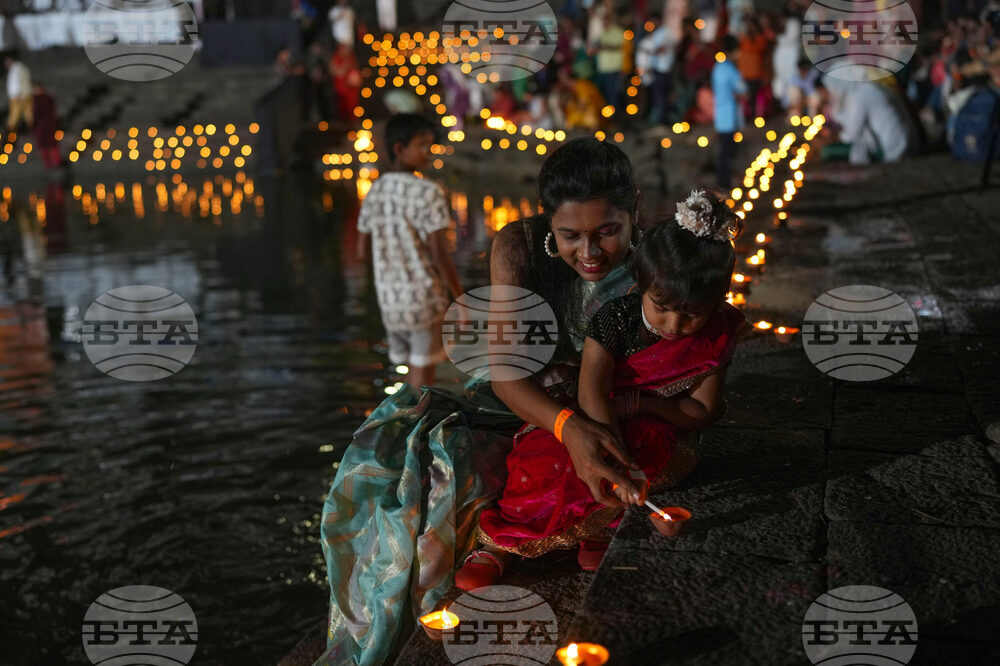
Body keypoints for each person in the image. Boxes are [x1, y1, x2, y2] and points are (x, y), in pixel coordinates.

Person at [317, 138, 649, 665]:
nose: (589, 253)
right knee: (415, 463)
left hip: (620, 402)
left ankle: (570, 527)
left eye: (607, 231)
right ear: (547, 221)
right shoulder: (518, 247)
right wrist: (569, 428)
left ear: (635, 208)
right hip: (525, 402)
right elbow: (509, 376)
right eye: (570, 236)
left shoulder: (656, 259)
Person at [469, 190, 748, 580]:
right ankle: (503, 541)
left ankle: (599, 529)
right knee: (542, 459)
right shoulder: (615, 318)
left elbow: (701, 411)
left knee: (645, 446)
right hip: (594, 414)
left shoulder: (717, 331)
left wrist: (638, 405)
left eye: (692, 315)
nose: (674, 326)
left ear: (716, 303)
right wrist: (610, 452)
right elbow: (592, 394)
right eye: (662, 308)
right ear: (641, 284)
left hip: (658, 425)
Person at [355, 113, 462, 389]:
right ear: (399, 149)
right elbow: (440, 255)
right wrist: (460, 300)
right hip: (423, 297)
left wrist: (391, 266)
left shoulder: (375, 190)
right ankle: (416, 417)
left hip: (390, 301)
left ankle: (405, 414)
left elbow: (362, 250)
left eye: (430, 144)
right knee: (423, 379)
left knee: (408, 373)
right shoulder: (429, 191)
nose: (429, 151)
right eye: (422, 145)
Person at [712, 35, 747, 188]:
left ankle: (723, 180)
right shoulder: (730, 70)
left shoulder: (717, 68)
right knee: (728, 152)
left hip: (720, 115)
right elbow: (743, 91)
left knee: (724, 151)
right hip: (730, 115)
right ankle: (725, 182)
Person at [30, 82, 60, 170]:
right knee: (44, 147)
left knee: (51, 146)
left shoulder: (46, 99)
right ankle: (49, 165)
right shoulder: (35, 99)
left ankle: (56, 164)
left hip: (47, 126)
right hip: (41, 127)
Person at [4, 51, 32, 134]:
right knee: (28, 114)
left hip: (19, 96)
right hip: (23, 94)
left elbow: (17, 81)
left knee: (15, 114)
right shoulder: (20, 67)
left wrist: (18, 93)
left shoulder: (16, 68)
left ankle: (10, 132)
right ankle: (31, 129)